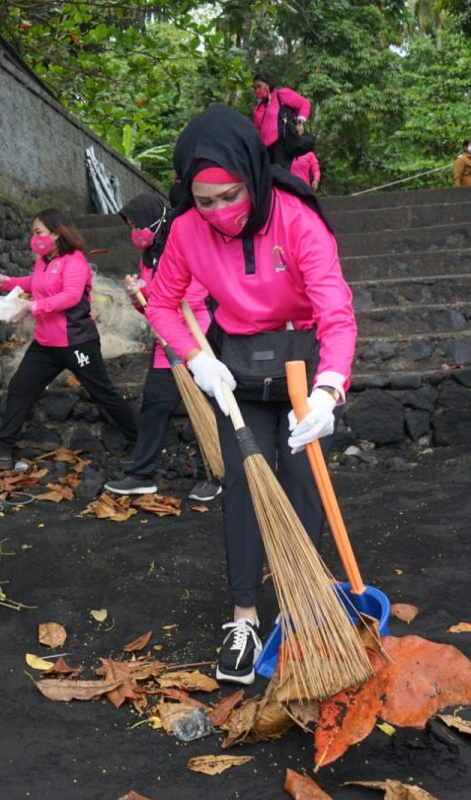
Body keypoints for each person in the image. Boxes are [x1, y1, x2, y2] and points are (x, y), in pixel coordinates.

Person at [145, 105, 356, 685]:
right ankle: (244, 617)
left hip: (300, 368)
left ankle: (302, 606)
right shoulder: (188, 229)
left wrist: (329, 388)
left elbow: (336, 312)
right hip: (235, 370)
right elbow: (163, 303)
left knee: (302, 482)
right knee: (242, 486)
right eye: (205, 200)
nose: (218, 213)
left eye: (229, 196)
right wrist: (197, 361)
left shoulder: (296, 220)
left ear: (253, 177)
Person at [0, 209, 139, 468]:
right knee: (19, 388)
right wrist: (4, 282)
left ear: (57, 233)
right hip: (46, 345)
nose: (34, 237)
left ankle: (141, 444)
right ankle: (2, 450)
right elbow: (36, 282)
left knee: (103, 393)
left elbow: (71, 296)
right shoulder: (44, 260)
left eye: (38, 232)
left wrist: (32, 307)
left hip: (77, 342)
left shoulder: (75, 261)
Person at [103, 192, 221, 502]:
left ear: (156, 219)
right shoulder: (148, 256)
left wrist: (152, 291)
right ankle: (142, 475)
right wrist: (136, 297)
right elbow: (152, 308)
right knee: (155, 405)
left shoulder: (184, 240)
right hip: (165, 339)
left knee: (205, 407)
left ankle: (214, 474)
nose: (134, 231)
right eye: (130, 225)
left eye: (137, 224)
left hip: (198, 335)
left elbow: (192, 296)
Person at [251, 71, 311, 167]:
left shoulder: (282, 94)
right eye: (255, 88)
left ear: (268, 84)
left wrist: (300, 123)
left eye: (259, 86)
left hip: (282, 145)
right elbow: (257, 129)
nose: (257, 90)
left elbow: (304, 103)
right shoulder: (258, 108)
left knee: (281, 177)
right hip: (265, 149)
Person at [290, 121, 321, 190]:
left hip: (304, 189)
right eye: (296, 125)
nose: (298, 127)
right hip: (290, 189)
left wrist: (316, 180)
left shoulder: (309, 154)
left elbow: (316, 169)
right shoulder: (286, 152)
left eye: (300, 125)